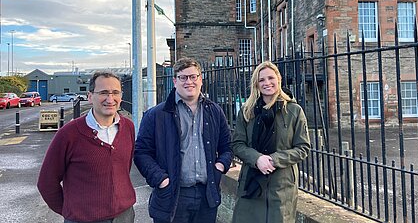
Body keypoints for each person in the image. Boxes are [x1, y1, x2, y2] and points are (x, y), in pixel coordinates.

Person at [134, 57, 233, 223]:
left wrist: (219, 166)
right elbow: (142, 152)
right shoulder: (156, 115)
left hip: (207, 196)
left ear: (201, 79)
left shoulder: (215, 111)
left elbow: (227, 147)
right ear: (175, 81)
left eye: (193, 77)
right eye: (183, 77)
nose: (189, 82)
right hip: (172, 195)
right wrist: (161, 179)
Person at [37, 71, 136, 223]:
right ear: (90, 96)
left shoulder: (128, 127)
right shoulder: (69, 134)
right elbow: (46, 182)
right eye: (103, 93)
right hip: (83, 219)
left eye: (115, 92)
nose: (110, 99)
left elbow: (123, 169)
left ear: (121, 96)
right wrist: (70, 211)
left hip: (124, 216)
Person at [231, 61, 311, 223]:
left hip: (281, 187)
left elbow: (303, 148)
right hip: (251, 185)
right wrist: (257, 159)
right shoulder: (247, 111)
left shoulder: (294, 111)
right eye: (262, 80)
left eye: (270, 78)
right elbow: (237, 144)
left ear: (278, 80)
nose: (267, 83)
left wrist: (274, 159)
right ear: (256, 84)